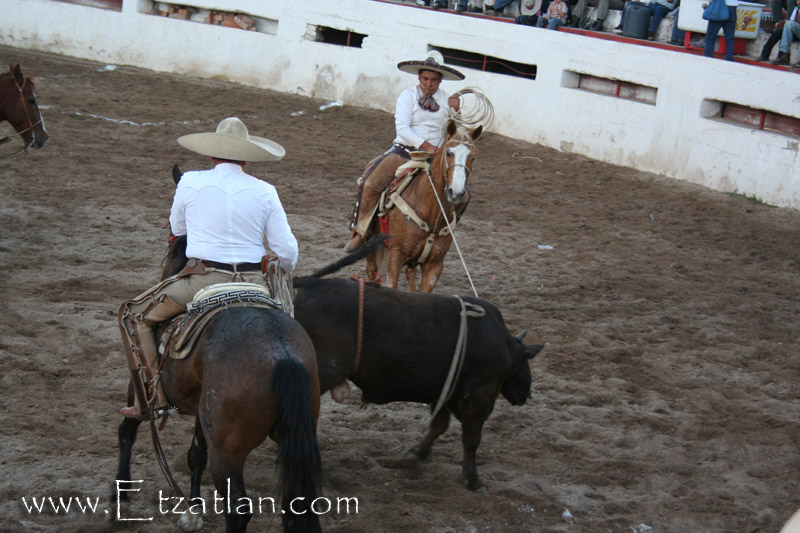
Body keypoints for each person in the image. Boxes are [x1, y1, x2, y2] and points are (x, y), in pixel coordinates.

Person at [118, 117, 298, 420]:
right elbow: (288, 252)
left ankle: (153, 400)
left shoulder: (189, 181)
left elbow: (178, 228)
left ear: (212, 154)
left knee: (133, 316)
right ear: (246, 159)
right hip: (255, 282)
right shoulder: (266, 190)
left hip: (202, 281)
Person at [343, 51, 464, 253]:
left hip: (436, 157)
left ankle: (445, 230)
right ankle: (360, 232)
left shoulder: (448, 101)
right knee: (370, 182)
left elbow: (455, 133)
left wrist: (457, 112)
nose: (428, 84)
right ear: (419, 77)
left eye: (434, 80)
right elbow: (403, 129)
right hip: (404, 151)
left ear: (440, 80)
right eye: (425, 78)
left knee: (463, 193)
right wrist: (427, 146)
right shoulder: (408, 96)